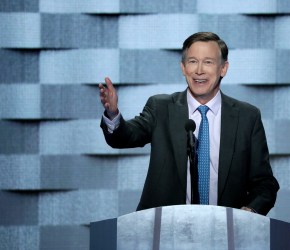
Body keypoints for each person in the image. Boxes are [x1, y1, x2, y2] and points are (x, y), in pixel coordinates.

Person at [99, 32, 279, 215]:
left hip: (225, 233)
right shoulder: (161, 108)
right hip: (165, 229)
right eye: (193, 61)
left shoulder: (248, 117)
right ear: (183, 67)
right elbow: (125, 137)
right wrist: (112, 113)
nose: (199, 70)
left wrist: (249, 211)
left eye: (208, 62)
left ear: (223, 68)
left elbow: (264, 183)